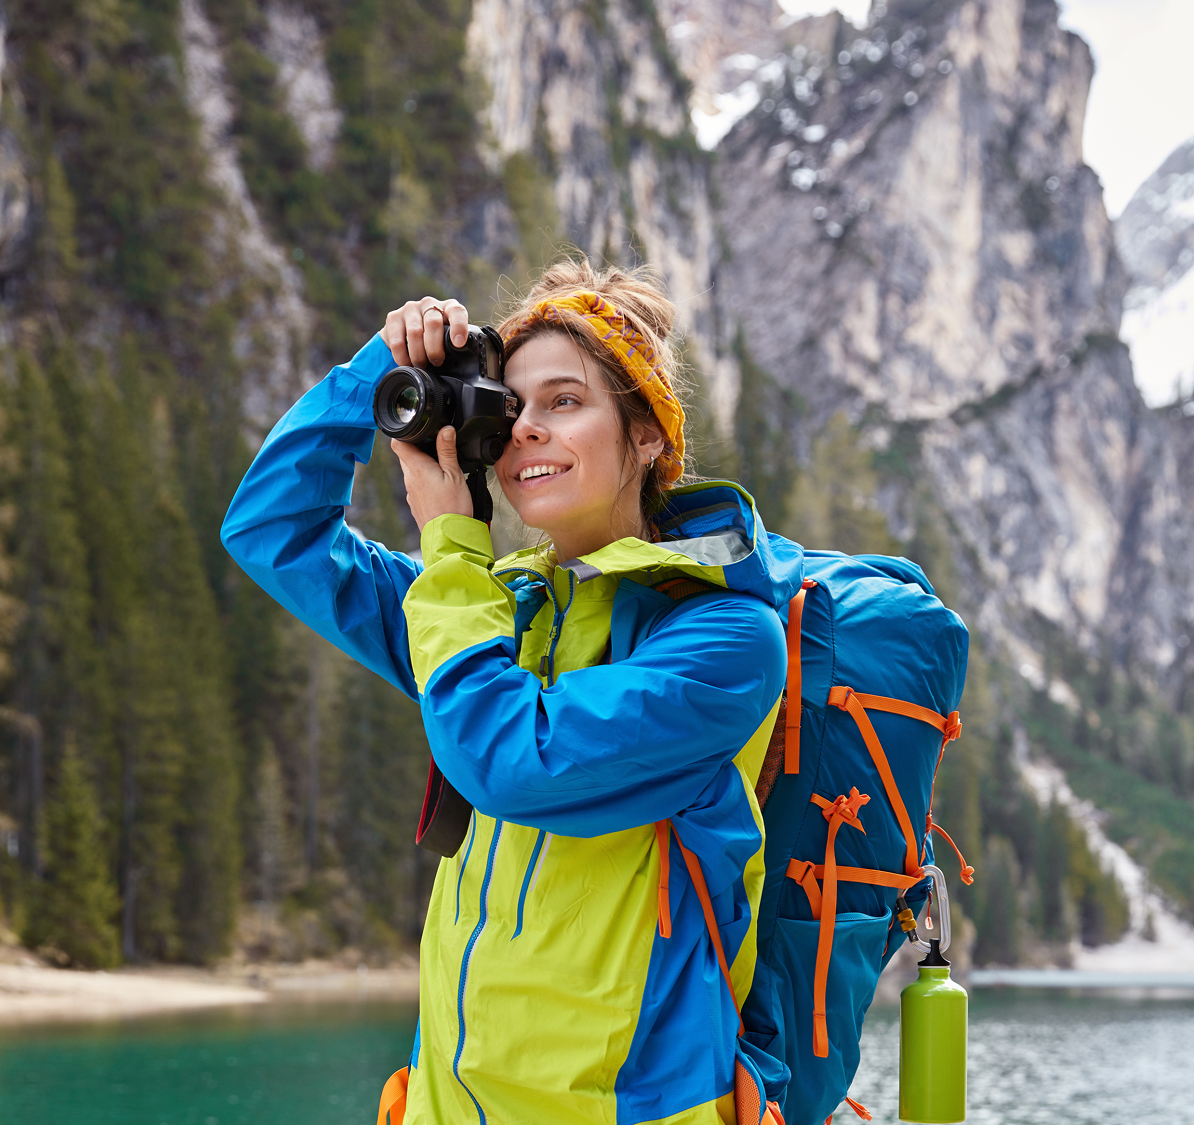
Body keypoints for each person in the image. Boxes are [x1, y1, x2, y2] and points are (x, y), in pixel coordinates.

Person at [221, 256, 803, 1123]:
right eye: (513, 406)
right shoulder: (499, 610)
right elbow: (271, 528)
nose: (528, 429)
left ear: (647, 435)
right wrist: (377, 371)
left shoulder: (722, 637)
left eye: (566, 402)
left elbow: (513, 763)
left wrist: (451, 552)